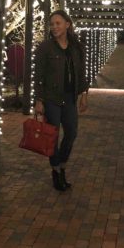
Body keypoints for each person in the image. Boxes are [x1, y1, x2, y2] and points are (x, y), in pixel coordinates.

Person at [34, 10, 89, 191]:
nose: (54, 27)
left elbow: (81, 73)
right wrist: (39, 100)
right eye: (52, 24)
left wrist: (84, 95)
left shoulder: (76, 48)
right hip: (51, 98)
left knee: (71, 133)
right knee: (53, 136)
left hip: (70, 97)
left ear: (67, 24)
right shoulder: (45, 48)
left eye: (58, 23)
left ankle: (62, 165)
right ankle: (56, 171)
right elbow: (38, 76)